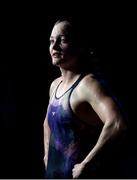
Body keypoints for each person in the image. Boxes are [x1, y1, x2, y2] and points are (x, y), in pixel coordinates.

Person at [43, 17, 127, 179]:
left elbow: (117, 124)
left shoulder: (88, 85)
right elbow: (47, 121)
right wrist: (47, 155)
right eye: (51, 41)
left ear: (80, 45)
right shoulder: (55, 85)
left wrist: (87, 163)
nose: (54, 46)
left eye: (63, 40)